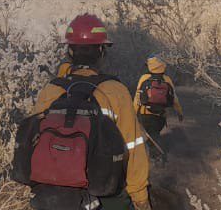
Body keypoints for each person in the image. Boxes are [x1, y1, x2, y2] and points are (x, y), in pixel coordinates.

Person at [28, 14, 151, 210]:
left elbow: (31, 140)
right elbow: (133, 148)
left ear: (70, 52)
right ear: (101, 52)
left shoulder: (51, 90)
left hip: (54, 194)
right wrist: (140, 197)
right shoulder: (115, 91)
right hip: (105, 191)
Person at [134, 56, 183, 143]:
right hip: (161, 114)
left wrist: (134, 113)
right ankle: (156, 152)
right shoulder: (167, 79)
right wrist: (179, 112)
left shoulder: (144, 78)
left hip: (145, 114)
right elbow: (174, 98)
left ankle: (155, 153)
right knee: (155, 134)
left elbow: (137, 97)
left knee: (150, 137)